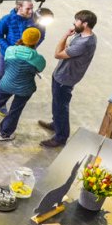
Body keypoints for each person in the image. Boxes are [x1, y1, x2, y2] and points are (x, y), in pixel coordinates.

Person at [39, 11, 98, 148]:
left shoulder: (84, 43)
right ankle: (56, 124)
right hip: (61, 74)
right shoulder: (83, 35)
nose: (74, 23)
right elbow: (66, 49)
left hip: (65, 79)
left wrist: (65, 35)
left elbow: (58, 54)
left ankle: (61, 137)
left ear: (85, 24)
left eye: (77, 20)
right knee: (57, 104)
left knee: (61, 107)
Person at [0, 28, 46, 141]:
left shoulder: (10, 50)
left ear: (23, 37)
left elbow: (7, 61)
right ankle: (4, 133)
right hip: (25, 89)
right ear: (36, 41)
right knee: (15, 110)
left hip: (6, 83)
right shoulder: (38, 59)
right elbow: (40, 68)